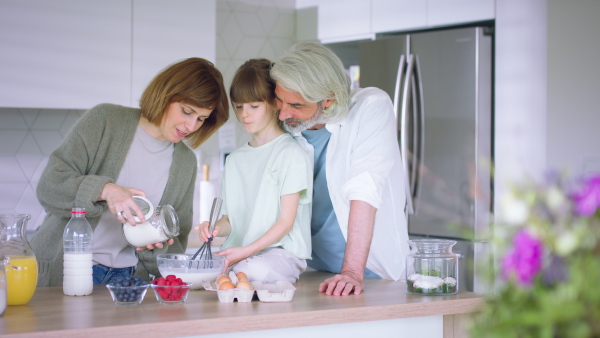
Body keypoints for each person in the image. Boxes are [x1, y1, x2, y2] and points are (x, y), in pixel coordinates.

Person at [32, 57, 229, 286]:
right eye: (187, 111)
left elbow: (177, 238)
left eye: (201, 119)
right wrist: (105, 190)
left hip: (130, 279)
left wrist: (156, 244)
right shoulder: (106, 120)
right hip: (68, 271)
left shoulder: (185, 162)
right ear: (166, 95)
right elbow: (49, 187)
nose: (191, 126)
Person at [270, 41, 410, 296]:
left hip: (368, 272)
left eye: (297, 106)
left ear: (329, 100)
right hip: (309, 271)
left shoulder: (371, 107)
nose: (282, 114)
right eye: (280, 100)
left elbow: (364, 189)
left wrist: (352, 272)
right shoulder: (287, 123)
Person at [198, 59, 312, 283]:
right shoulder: (234, 160)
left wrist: (247, 251)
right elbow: (231, 220)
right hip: (242, 254)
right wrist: (213, 228)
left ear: (274, 102)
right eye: (239, 106)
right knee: (209, 274)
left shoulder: (291, 153)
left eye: (253, 106)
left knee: (246, 274)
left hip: (280, 255)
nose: (244, 115)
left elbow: (286, 222)